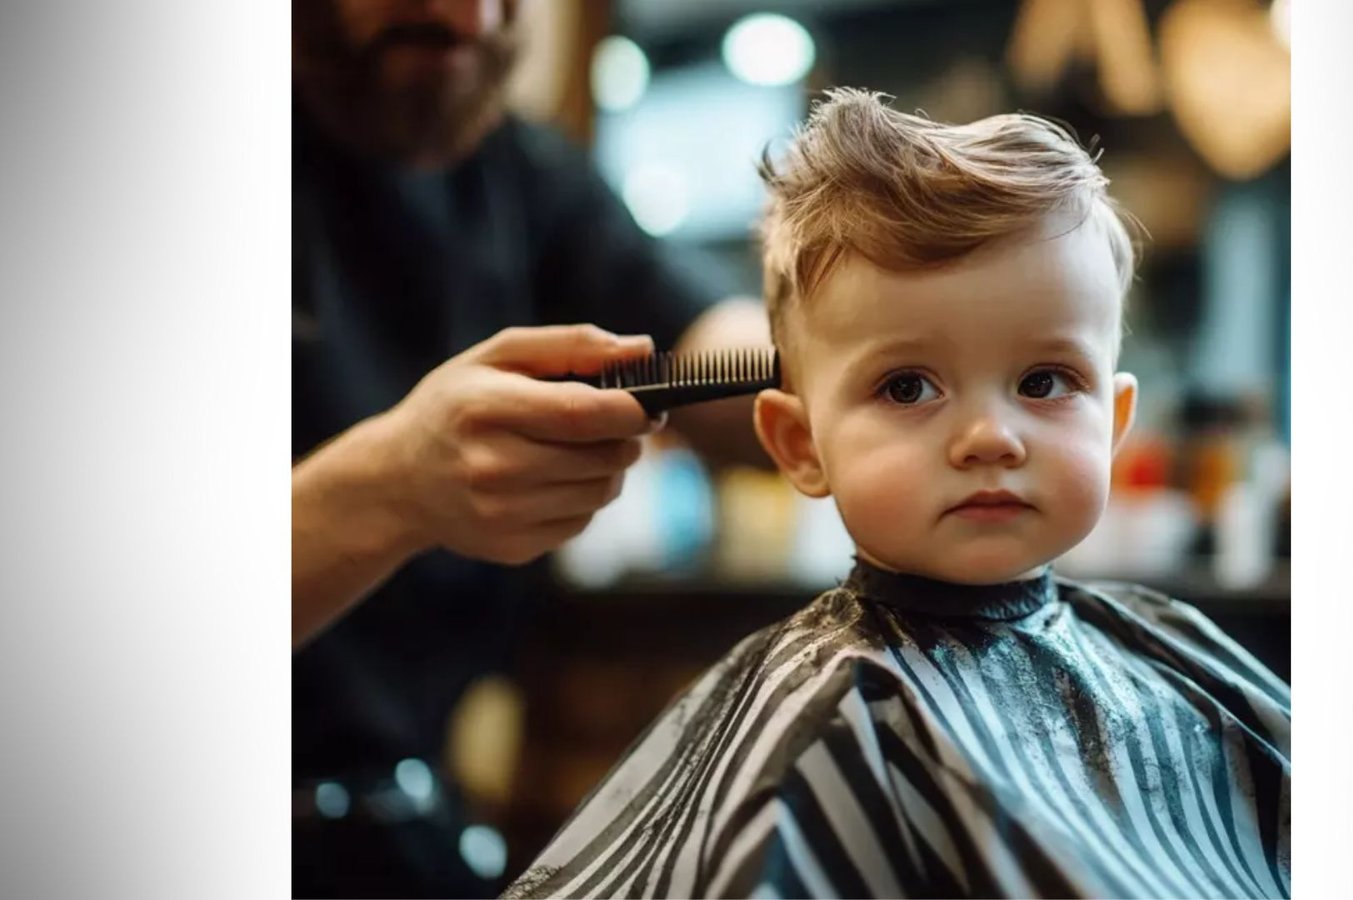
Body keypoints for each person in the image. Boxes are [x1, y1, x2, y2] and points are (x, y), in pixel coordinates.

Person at [503, 89, 1290, 898]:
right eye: (909, 387)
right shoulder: (827, 718)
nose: (991, 436)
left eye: (1045, 380)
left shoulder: (1181, 657)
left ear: (1114, 421)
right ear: (800, 445)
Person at [291, 1, 764, 896]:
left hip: (403, 829)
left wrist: (850, 353)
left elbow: (703, 341)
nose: (471, 15)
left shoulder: (523, 172)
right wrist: (391, 487)